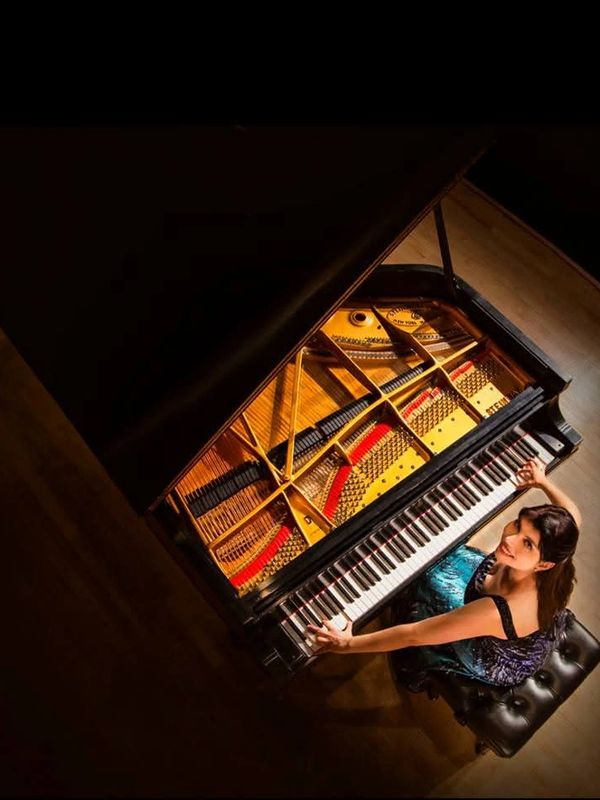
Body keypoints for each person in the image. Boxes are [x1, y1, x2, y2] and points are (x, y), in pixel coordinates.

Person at [306, 457, 582, 687]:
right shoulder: (558, 551)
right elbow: (572, 513)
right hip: (511, 610)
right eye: (518, 525)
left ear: (544, 564)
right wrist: (542, 481)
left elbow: (412, 634)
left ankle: (422, 665)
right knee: (430, 555)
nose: (509, 540)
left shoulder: (497, 611)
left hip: (493, 654)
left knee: (423, 575)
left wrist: (346, 644)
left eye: (527, 543)